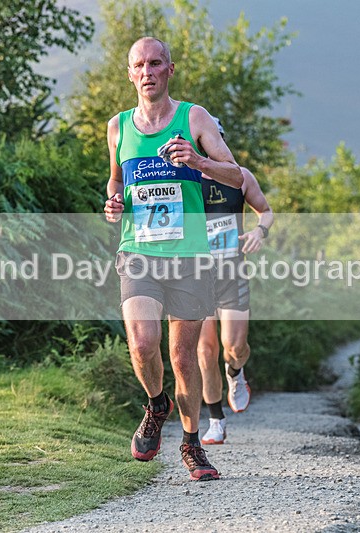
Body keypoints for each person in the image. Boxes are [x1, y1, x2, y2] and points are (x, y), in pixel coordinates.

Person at [103, 36, 243, 481]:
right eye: (139, 65)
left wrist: (198, 162)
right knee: (143, 345)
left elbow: (236, 175)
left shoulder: (193, 117)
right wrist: (113, 203)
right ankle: (156, 404)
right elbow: (114, 184)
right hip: (139, 252)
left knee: (183, 358)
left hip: (189, 256)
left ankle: (191, 442)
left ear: (170, 69)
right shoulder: (117, 127)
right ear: (130, 74)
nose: (147, 71)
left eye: (155, 63)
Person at [197, 116, 274, 445]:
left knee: (234, 346)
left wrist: (260, 231)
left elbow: (266, 211)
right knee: (205, 349)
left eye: (217, 142)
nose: (211, 148)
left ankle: (235, 371)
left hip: (232, 271)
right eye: (205, 143)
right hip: (195, 273)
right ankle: (216, 420)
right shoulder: (185, 179)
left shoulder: (240, 178)